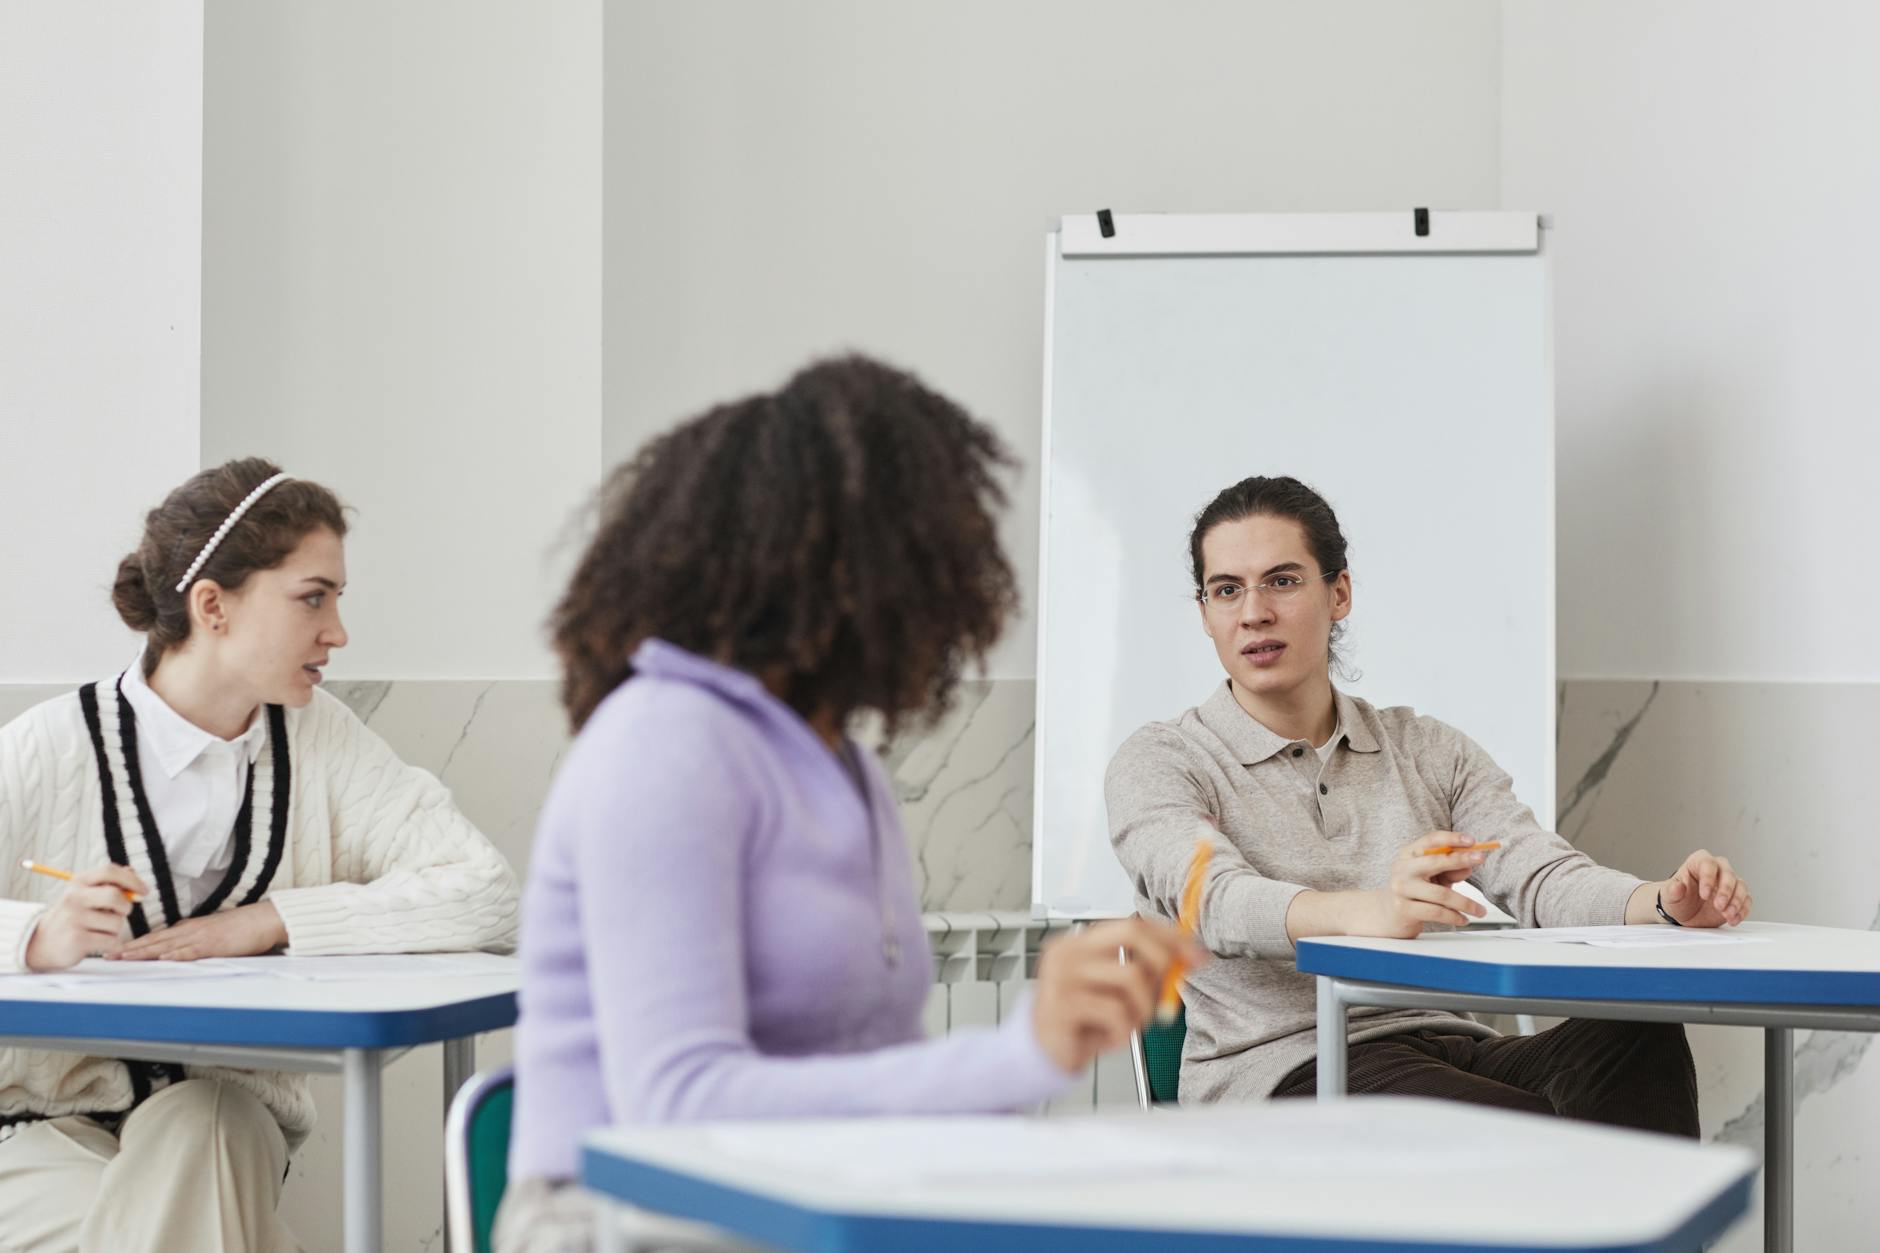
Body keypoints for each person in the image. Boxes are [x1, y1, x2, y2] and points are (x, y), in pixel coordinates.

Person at [500, 356, 1202, 1252]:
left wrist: (1043, 1049)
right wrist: (1017, 1053)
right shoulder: (664, 743)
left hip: (805, 1202)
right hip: (617, 1220)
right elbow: (674, 1106)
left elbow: (867, 1077)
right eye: (923, 560)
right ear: (827, 572)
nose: (953, 600)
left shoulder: (843, 765)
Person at [1107, 474, 1752, 1132]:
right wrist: (1372, 911)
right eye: (1227, 589)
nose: (1253, 612)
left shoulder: (1426, 748)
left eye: (1282, 580)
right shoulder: (1162, 760)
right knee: (1523, 1134)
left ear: (1339, 593)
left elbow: (1541, 873)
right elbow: (1213, 899)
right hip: (1285, 1072)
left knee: (1639, 1041)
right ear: (1205, 612)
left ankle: (1638, 1236)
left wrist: (1663, 902)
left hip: (1447, 1044)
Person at [0, 458, 520, 1253]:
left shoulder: (321, 741)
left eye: (337, 599)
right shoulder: (49, 749)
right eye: (314, 596)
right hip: (37, 1143)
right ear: (213, 605)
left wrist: (274, 918)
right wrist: (39, 934)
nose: (338, 631)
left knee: (213, 1112)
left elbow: (485, 890)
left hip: (225, 1137)